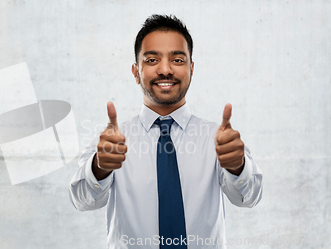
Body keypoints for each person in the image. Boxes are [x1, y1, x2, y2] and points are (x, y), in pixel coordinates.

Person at [69, 14, 263, 249]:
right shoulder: (112, 142)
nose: (165, 70)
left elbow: (249, 198)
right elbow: (82, 201)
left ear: (191, 69)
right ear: (135, 71)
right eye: (151, 60)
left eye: (178, 60)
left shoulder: (219, 138)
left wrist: (237, 166)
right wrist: (100, 167)